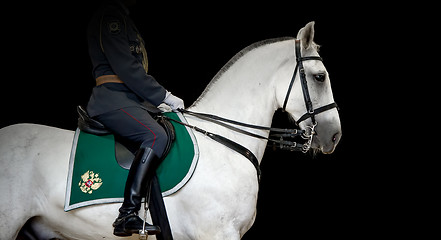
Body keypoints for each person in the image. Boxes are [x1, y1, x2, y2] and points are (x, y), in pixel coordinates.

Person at [86, 0, 184, 236]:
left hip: (130, 100)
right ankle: (127, 214)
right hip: (112, 100)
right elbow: (127, 68)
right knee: (155, 135)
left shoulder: (123, 19)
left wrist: (154, 102)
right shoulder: (111, 18)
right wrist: (163, 95)